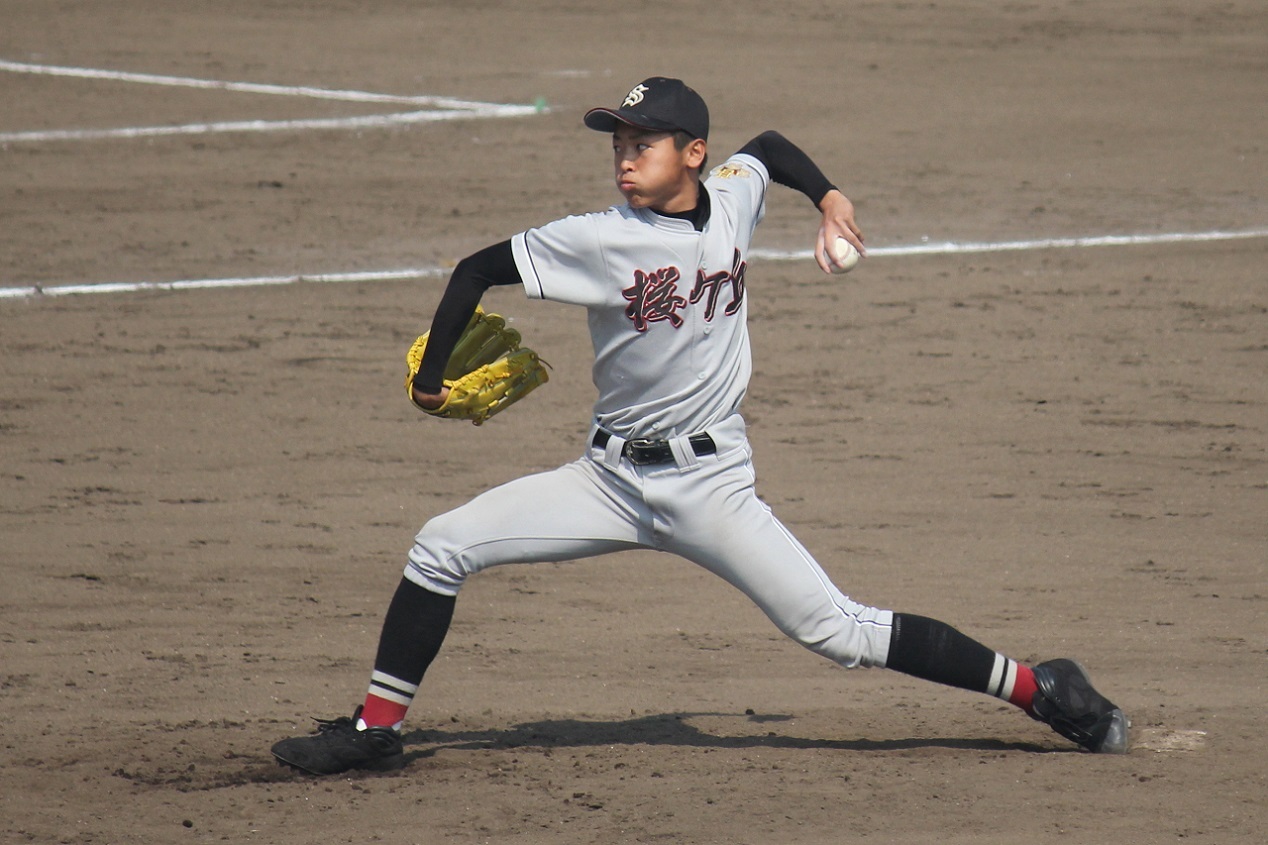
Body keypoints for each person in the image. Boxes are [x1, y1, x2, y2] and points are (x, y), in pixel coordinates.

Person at [270, 77, 1128, 775]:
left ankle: (1039, 685)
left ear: (691, 154)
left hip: (711, 487)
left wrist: (829, 197)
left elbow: (770, 150)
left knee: (838, 631)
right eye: (616, 143)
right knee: (441, 544)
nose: (623, 158)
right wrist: (427, 381)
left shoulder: (731, 199)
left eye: (639, 143)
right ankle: (376, 728)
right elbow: (473, 271)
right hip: (604, 481)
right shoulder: (596, 238)